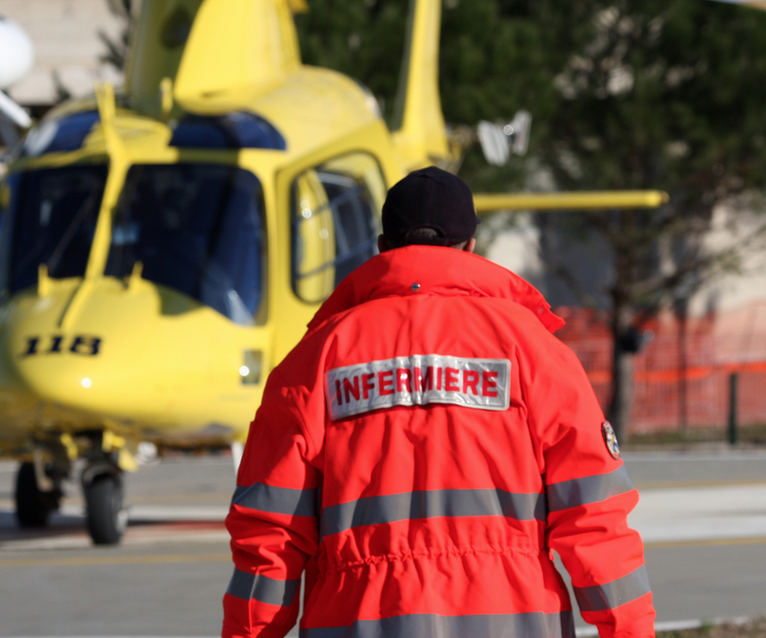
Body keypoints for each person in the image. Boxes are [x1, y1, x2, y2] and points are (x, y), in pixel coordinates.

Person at [222, 166, 655, 638]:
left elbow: (270, 533)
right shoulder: (534, 351)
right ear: (470, 246)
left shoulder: (315, 360)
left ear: (383, 246)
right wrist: (630, 631)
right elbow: (594, 519)